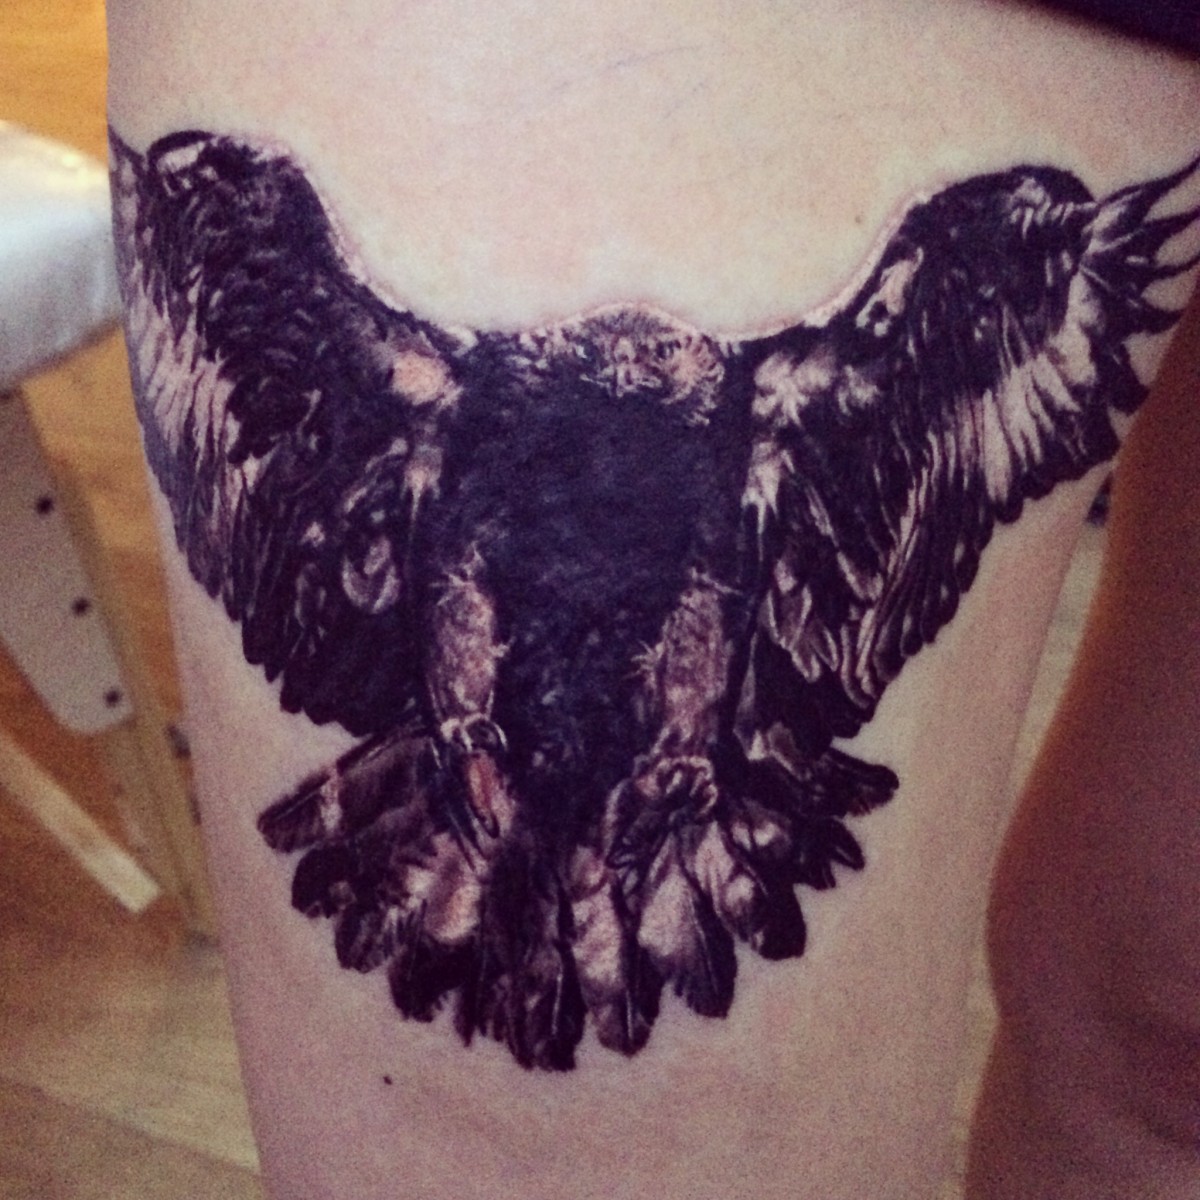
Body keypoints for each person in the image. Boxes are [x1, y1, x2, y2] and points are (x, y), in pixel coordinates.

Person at [105, 2, 1200, 1196]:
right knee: (533, 1150)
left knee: (1170, 1034)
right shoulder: (432, 396)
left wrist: (690, 743)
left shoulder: (767, 410)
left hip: (697, 748)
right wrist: (464, 728)